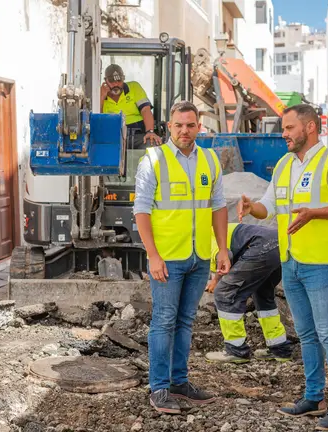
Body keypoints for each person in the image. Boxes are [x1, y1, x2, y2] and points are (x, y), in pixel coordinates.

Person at [237, 104, 328, 431]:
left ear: (309, 127)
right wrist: (253, 207)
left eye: (289, 128)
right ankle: (313, 397)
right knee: (306, 334)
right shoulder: (284, 165)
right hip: (291, 263)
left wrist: (315, 213)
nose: (283, 134)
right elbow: (269, 205)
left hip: (321, 265)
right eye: (283, 128)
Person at [134, 100, 231, 414]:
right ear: (169, 126)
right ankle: (159, 388)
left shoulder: (210, 160)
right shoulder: (154, 160)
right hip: (168, 258)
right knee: (163, 322)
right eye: (179, 125)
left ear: (199, 126)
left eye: (190, 125)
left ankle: (179, 382)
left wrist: (222, 249)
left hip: (199, 256)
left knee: (185, 322)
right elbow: (141, 211)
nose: (185, 131)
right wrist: (153, 255)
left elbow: (218, 208)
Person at [203, 222, 294, 364]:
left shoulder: (204, 237)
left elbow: (226, 256)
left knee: (225, 292)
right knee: (263, 293)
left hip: (261, 245)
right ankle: (279, 348)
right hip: (278, 243)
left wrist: (216, 281)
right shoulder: (214, 229)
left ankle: (236, 350)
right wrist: (215, 279)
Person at [101, 64, 162, 147]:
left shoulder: (134, 87)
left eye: (119, 81)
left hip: (137, 135)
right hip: (112, 137)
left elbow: (145, 110)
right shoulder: (99, 93)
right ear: (105, 80)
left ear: (124, 79)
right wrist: (101, 97)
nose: (116, 84)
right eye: (112, 81)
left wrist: (150, 132)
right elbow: (96, 116)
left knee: (152, 143)